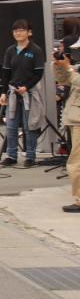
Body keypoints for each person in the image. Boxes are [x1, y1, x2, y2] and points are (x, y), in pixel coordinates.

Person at [0, 19, 44, 167]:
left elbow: (38, 73)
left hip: (29, 92)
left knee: (29, 125)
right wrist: (3, 92)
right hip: (13, 92)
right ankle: (11, 155)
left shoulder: (35, 50)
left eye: (22, 30)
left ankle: (30, 156)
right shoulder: (10, 50)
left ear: (29, 32)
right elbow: (5, 72)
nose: (18, 33)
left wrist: (26, 87)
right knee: (11, 125)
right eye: (15, 30)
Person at [54, 51, 80, 213]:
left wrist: (69, 68)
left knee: (76, 161)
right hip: (75, 117)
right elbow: (63, 80)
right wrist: (58, 66)